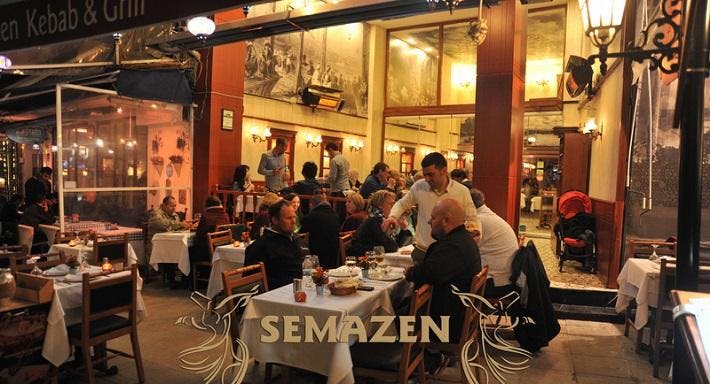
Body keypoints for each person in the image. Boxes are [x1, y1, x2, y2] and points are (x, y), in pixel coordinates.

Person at [405, 198, 481, 343]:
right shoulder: (463, 239)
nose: (429, 222)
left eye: (433, 218)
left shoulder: (454, 247)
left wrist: (410, 272)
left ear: (446, 221)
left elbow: (429, 273)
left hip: (445, 325)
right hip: (456, 314)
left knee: (378, 319)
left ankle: (404, 357)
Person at [382, 152, 481, 264]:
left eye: (431, 174)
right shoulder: (419, 186)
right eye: (425, 175)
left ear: (443, 171)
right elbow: (402, 204)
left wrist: (476, 233)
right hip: (423, 251)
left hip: (450, 253)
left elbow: (472, 217)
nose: (427, 179)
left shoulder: (461, 191)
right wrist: (393, 217)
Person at [245, 199, 306, 289]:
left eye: (294, 217)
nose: (293, 222)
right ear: (275, 220)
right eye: (289, 218)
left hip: (298, 290)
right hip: (276, 295)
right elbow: (252, 283)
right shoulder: (261, 246)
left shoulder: (295, 239)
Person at [470, 188, 518, 297]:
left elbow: (465, 250)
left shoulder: (478, 221)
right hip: (506, 278)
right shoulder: (487, 215)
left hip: (495, 283)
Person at [348, 190, 410, 256]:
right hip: (362, 261)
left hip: (375, 258)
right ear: (380, 205)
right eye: (391, 204)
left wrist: (404, 229)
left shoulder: (382, 219)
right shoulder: (374, 220)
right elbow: (392, 247)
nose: (394, 207)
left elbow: (397, 245)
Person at [299, 194, 340, 268]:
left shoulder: (312, 216)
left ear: (311, 205)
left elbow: (301, 232)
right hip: (334, 254)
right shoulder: (335, 214)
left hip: (318, 256)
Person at [189, 196, 230, 263]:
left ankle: (189, 273)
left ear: (207, 205)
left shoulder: (207, 216)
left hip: (209, 252)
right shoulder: (225, 215)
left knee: (188, 249)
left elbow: (198, 235)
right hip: (221, 248)